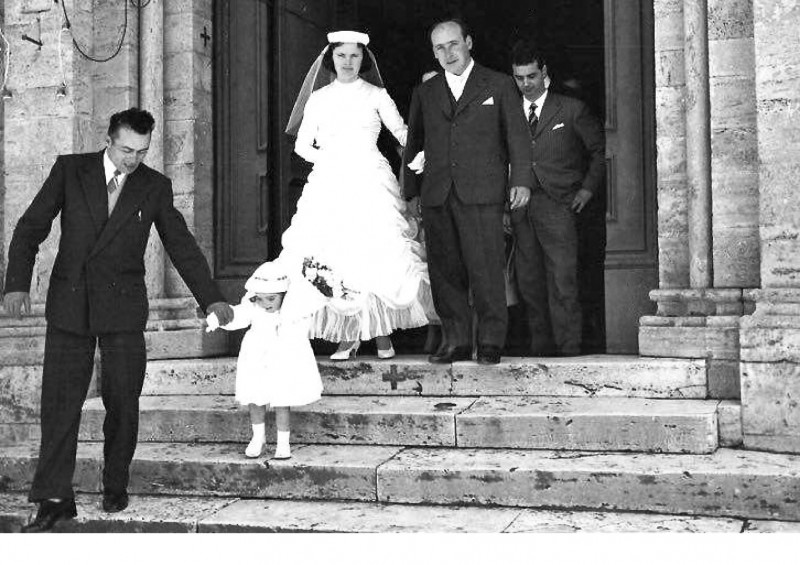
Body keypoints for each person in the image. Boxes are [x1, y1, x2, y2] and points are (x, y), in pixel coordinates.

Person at [2, 108, 234, 532]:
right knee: (60, 405)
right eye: (126, 150)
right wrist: (17, 283)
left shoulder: (154, 186)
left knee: (123, 402)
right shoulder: (70, 170)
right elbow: (31, 226)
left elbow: (181, 244)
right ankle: (54, 498)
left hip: (123, 308)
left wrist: (212, 298)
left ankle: (115, 484)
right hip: (71, 303)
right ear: (108, 140)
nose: (133, 160)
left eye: (142, 152)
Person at [281, 30, 433, 361]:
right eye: (341, 55)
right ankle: (348, 337)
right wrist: (331, 159)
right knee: (339, 254)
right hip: (332, 182)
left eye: (354, 55)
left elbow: (402, 132)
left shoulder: (377, 95)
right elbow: (302, 145)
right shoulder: (319, 98)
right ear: (330, 59)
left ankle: (381, 334)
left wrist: (425, 147)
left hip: (370, 180)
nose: (348, 62)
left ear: (363, 59)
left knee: (373, 251)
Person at [402, 18, 533, 365]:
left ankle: (490, 341)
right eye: (439, 48)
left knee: (486, 268)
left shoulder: (499, 84)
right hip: (438, 193)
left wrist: (521, 180)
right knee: (445, 272)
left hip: (483, 192)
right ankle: (455, 341)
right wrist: (411, 192)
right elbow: (414, 142)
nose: (448, 54)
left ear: (469, 43)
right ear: (434, 53)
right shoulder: (425, 92)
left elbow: (518, 137)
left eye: (453, 44)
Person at [509, 41, 605, 356]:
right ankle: (541, 346)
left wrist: (587, 189)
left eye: (531, 76)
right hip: (520, 207)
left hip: (559, 204)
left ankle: (569, 346)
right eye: (519, 78)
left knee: (563, 278)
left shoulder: (571, 108)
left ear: (544, 72)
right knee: (529, 282)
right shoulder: (508, 112)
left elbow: (600, 152)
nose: (526, 84)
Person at [206, 260, 324, 460]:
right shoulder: (253, 308)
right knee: (256, 397)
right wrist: (220, 317)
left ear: (284, 295)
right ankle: (258, 437)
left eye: (271, 298)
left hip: (282, 358)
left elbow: (304, 323)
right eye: (260, 298)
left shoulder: (293, 312)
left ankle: (283, 442)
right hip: (256, 357)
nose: (266, 304)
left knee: (282, 399)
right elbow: (237, 316)